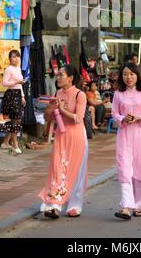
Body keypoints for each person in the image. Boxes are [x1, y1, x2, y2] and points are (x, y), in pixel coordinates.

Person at [38, 64, 88, 219]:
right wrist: (50, 112)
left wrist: (61, 109)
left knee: (76, 171)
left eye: (61, 75)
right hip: (60, 134)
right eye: (58, 74)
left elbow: (78, 118)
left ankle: (74, 205)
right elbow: (54, 116)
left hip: (76, 136)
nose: (58, 77)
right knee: (57, 168)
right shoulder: (58, 93)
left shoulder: (80, 95)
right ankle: (54, 204)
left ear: (71, 78)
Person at [112, 62, 141, 220]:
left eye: (131, 74)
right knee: (124, 169)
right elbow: (114, 113)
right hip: (124, 134)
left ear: (137, 75)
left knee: (140, 168)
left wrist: (140, 118)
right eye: (125, 74)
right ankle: (125, 206)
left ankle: (139, 204)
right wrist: (122, 118)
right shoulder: (118, 93)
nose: (128, 77)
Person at [0, 50, 26, 154]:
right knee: (15, 119)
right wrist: (16, 82)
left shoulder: (18, 68)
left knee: (16, 120)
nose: (16, 59)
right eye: (14, 57)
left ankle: (6, 142)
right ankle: (15, 144)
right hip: (11, 95)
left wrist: (23, 96)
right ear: (10, 59)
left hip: (18, 94)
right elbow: (4, 83)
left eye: (18, 57)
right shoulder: (8, 69)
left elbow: (20, 85)